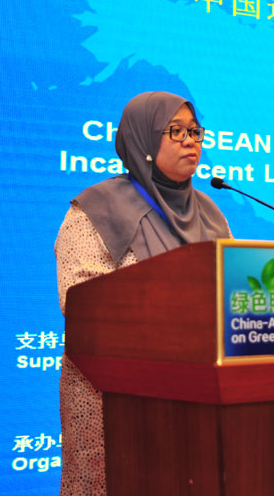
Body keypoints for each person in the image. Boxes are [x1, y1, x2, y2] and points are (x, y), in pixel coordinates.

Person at [55, 91, 231, 496]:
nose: (191, 141)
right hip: (113, 401)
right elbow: (79, 302)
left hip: (197, 397)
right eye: (175, 131)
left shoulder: (209, 212)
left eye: (195, 131)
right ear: (143, 140)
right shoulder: (95, 208)